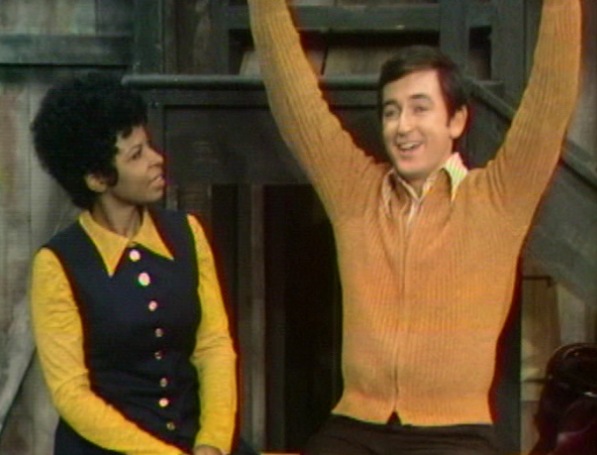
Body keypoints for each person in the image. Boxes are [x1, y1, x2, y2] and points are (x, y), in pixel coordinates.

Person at [247, 0, 582, 454]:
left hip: (456, 435)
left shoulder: (499, 198)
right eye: (391, 111)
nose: (402, 126)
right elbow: (293, 97)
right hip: (356, 427)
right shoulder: (356, 193)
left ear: (457, 120)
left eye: (419, 108)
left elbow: (551, 96)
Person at [29, 72, 237, 455]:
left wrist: (212, 443)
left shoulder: (188, 234)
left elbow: (213, 346)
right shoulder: (58, 264)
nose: (158, 160)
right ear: (97, 178)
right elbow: (71, 393)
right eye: (137, 155)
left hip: (195, 443)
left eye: (149, 146)